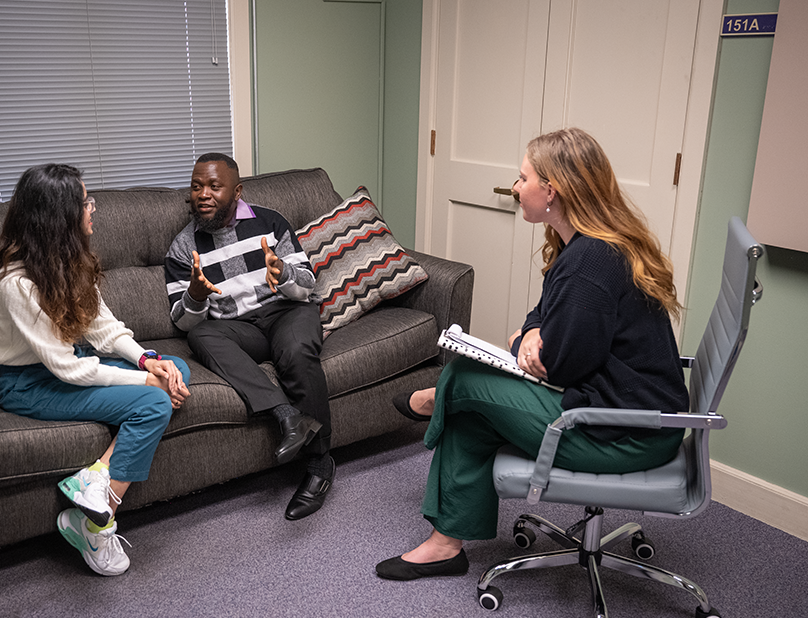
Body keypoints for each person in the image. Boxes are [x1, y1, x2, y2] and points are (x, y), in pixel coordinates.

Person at [378, 128, 689, 580]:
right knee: (472, 404)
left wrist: (526, 341)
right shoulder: (583, 245)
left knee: (464, 378)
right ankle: (445, 545)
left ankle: (434, 401)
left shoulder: (592, 261)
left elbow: (557, 366)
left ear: (552, 189)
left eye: (523, 178)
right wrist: (531, 331)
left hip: (625, 433)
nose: (515, 187)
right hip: (626, 412)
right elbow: (543, 314)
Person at [0, 163, 190, 577]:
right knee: (155, 402)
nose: (92, 209)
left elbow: (104, 330)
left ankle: (95, 478)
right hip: (29, 384)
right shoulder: (15, 284)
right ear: (59, 217)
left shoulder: (70, 261)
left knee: (176, 368)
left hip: (69, 365)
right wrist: (145, 381)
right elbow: (68, 368)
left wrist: (148, 361)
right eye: (85, 202)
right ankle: (95, 526)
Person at [164, 152, 334, 521]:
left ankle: (320, 465)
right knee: (203, 335)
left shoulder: (270, 222)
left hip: (287, 312)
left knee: (296, 351)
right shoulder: (182, 247)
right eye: (196, 187)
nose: (203, 194)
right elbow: (184, 322)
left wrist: (283, 272)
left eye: (214, 186)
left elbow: (307, 285)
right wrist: (195, 295)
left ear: (237, 191)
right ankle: (287, 416)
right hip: (239, 328)